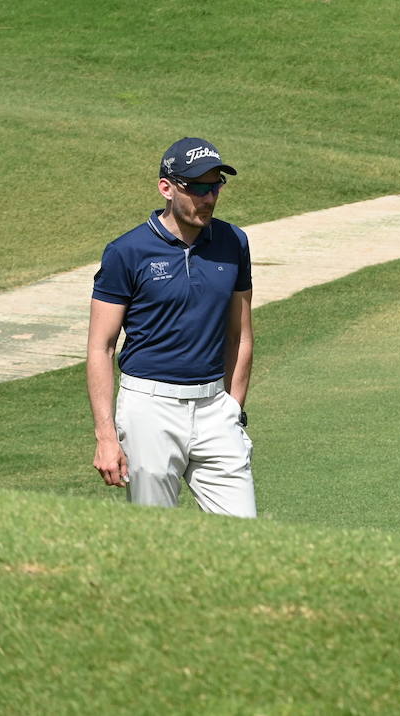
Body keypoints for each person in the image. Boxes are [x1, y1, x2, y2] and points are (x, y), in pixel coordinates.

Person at [87, 137, 256, 517]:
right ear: (166, 187)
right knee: (154, 538)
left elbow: (240, 334)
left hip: (216, 409)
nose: (209, 198)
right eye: (197, 187)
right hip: (149, 409)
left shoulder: (234, 242)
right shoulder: (127, 252)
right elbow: (101, 347)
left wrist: (234, 409)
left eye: (215, 186)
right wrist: (105, 436)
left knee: (246, 538)